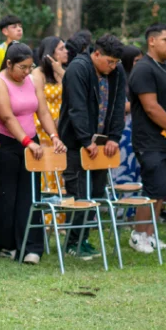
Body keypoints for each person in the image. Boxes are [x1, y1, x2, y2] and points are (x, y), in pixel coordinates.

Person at [0, 42, 64, 264]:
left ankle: (31, 246)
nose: (27, 72)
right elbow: (7, 117)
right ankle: (6, 245)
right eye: (22, 67)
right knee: (7, 196)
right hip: (6, 144)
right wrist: (27, 142)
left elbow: (43, 112)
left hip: (32, 143)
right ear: (9, 64)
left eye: (30, 67)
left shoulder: (31, 80)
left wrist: (54, 137)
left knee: (30, 196)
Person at [58, 33, 126, 259]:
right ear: (96, 54)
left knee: (96, 193)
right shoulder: (78, 68)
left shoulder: (117, 71)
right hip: (77, 143)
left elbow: (117, 106)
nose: (113, 66)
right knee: (78, 193)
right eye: (109, 61)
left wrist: (114, 137)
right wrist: (86, 140)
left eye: (116, 62)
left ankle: (83, 240)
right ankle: (71, 243)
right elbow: (76, 108)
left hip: (101, 142)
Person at [126, 23, 166, 255]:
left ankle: (150, 235)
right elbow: (151, 107)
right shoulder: (144, 69)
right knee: (152, 189)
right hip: (150, 140)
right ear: (151, 41)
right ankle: (138, 235)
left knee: (164, 189)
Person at [31, 36, 68, 206]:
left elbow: (74, 88)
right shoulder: (37, 73)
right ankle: (44, 220)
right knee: (46, 173)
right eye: (61, 48)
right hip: (43, 128)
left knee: (60, 174)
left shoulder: (63, 71)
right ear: (50, 52)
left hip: (62, 127)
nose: (65, 51)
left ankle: (59, 220)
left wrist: (59, 71)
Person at [113, 45, 143, 188]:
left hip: (138, 129)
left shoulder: (140, 78)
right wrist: (141, 104)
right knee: (123, 165)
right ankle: (120, 208)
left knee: (137, 165)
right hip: (123, 131)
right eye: (136, 61)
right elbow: (118, 106)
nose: (140, 64)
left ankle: (137, 207)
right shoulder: (117, 79)